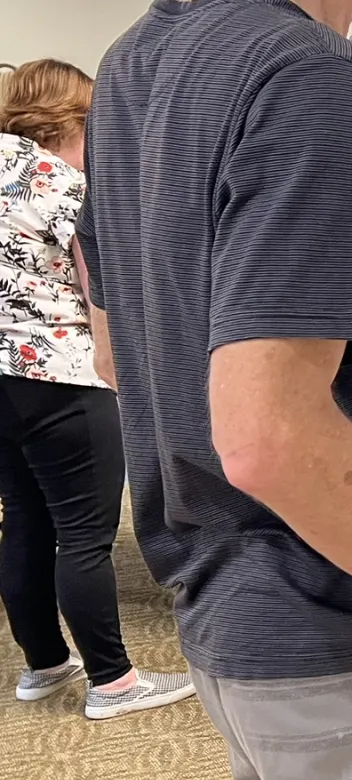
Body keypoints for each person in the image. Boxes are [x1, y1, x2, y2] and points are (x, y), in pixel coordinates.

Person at [79, 1, 352, 776]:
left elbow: (120, 357)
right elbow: (268, 437)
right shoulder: (314, 71)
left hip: (235, 622)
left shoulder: (134, 63)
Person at [0, 58, 195, 720]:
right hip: (62, 376)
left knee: (24, 522)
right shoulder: (61, 182)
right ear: (69, 120)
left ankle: (43, 664)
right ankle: (113, 683)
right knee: (84, 535)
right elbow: (100, 288)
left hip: (1, 378)